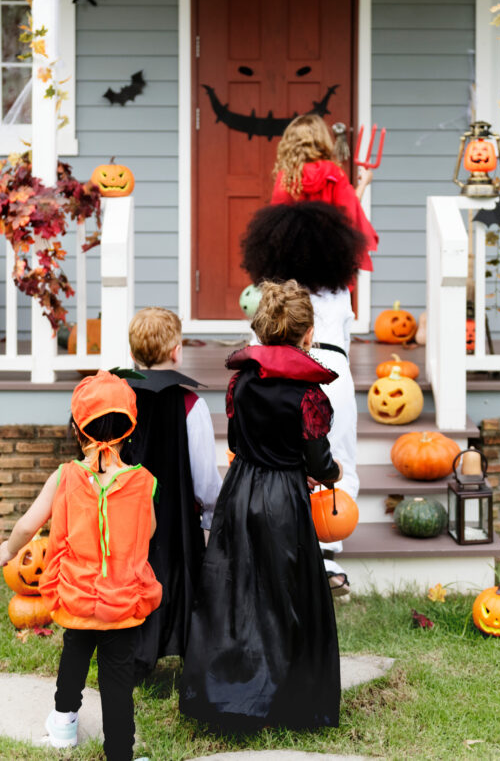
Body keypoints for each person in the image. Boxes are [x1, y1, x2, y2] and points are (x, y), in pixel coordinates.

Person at [179, 280, 343, 732]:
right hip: (283, 498)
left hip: (242, 489)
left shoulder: (241, 382)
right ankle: (286, 701)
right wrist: (330, 474)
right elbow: (317, 459)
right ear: (307, 334)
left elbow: (236, 442)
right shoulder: (309, 394)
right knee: (286, 595)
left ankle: (230, 694)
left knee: (236, 593)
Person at [0, 370, 161, 761]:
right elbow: (149, 531)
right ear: (130, 428)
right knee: (116, 682)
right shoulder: (144, 482)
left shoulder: (65, 477)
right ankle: (120, 752)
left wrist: (8, 548)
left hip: (74, 597)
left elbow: (27, 525)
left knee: (72, 662)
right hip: (121, 604)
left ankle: (63, 728)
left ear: (77, 430)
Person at [241, 200, 366, 598]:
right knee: (337, 455)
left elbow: (257, 333)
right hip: (331, 369)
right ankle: (328, 554)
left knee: (277, 455)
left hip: (274, 365)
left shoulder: (271, 290)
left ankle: (282, 551)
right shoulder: (339, 289)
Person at [118, 307, 221, 675]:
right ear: (177, 350)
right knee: (175, 578)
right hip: (175, 521)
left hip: (124, 519)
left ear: (131, 354)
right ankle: (181, 646)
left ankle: (129, 651)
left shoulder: (117, 399)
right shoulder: (191, 405)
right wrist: (210, 515)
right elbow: (205, 476)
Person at [270, 112, 378, 271]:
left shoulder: (286, 177)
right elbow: (349, 213)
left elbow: (277, 224)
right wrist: (363, 183)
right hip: (330, 261)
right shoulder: (333, 173)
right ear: (322, 140)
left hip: (295, 261)